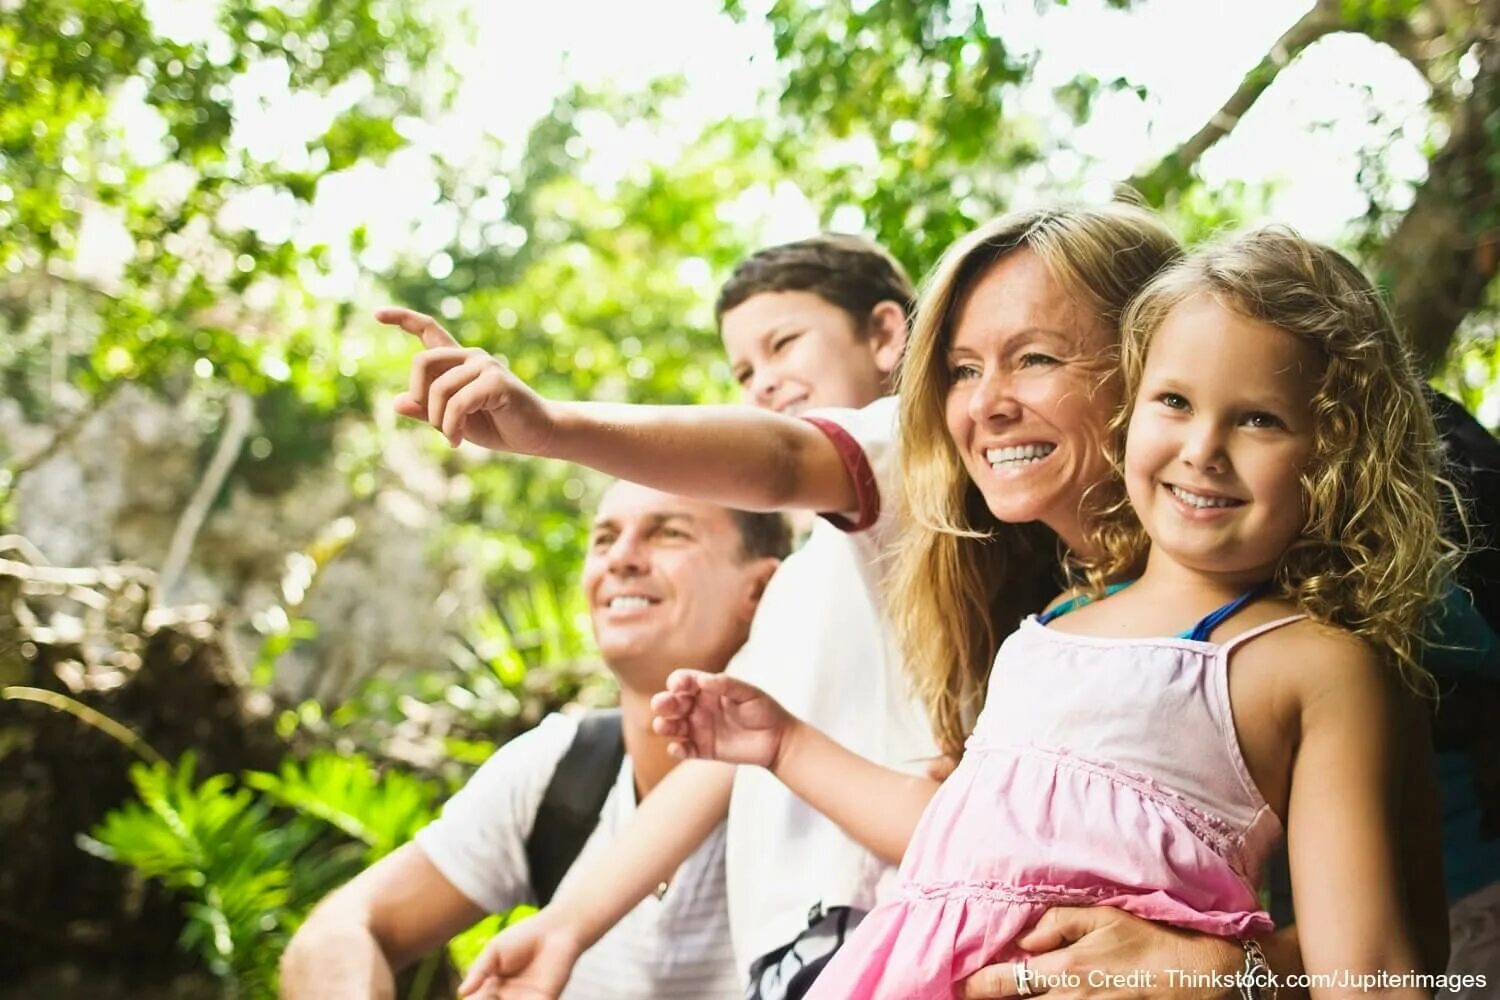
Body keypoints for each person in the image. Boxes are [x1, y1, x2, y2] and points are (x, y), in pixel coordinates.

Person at [655, 227, 1450, 997]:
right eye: (1173, 401)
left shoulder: (1310, 660)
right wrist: (784, 744)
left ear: (1338, 455)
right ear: (1130, 411)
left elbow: (1376, 969)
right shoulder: (1052, 628)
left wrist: (1236, 977)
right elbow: (967, 849)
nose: (1203, 448)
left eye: (1258, 419)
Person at [380, 234, 944, 1000]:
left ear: (885, 334)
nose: (766, 382)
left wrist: (552, 429)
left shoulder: (913, 459)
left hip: (884, 930)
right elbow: (718, 761)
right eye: (744, 370)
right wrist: (568, 924)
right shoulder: (802, 583)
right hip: (791, 963)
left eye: (784, 345)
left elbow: (782, 458)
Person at [278, 481, 791, 1000]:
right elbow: (337, 931)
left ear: (763, 590)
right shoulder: (562, 770)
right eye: (604, 539)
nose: (622, 559)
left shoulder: (817, 787)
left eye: (670, 534)